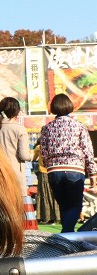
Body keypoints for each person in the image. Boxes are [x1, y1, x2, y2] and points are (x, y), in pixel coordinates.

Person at [40, 93, 97, 233]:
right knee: (75, 206)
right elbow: (88, 151)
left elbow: (44, 152)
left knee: (64, 206)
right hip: (74, 169)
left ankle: (67, 237)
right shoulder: (78, 126)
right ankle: (66, 234)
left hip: (54, 171)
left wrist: (50, 166)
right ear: (70, 106)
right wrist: (93, 173)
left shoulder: (47, 128)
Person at [0, 97, 33, 196]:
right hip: (14, 175)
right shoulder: (19, 129)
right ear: (16, 111)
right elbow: (24, 155)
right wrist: (32, 156)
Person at [33, 142, 59, 224]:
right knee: (54, 194)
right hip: (54, 171)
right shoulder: (55, 146)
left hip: (44, 173)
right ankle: (57, 216)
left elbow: (33, 159)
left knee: (44, 194)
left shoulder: (39, 147)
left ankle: (46, 217)